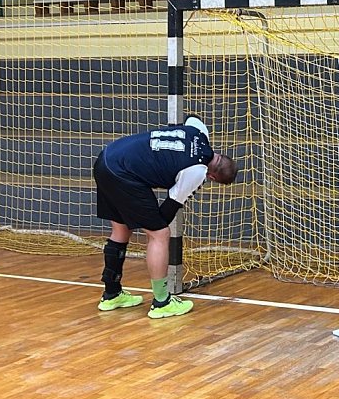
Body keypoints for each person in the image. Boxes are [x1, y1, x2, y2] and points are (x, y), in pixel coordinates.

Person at [93, 115, 238, 318]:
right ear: (212, 177)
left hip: (107, 158)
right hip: (123, 173)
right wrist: (154, 227)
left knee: (121, 228)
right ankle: (162, 302)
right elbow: (168, 209)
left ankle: (112, 294)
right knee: (161, 234)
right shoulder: (197, 171)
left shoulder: (200, 132)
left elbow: (191, 118)